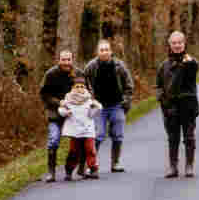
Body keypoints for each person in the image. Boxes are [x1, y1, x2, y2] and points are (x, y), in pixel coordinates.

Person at [84, 40, 134, 173]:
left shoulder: (119, 65)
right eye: (102, 50)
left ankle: (115, 163)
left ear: (111, 51)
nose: (105, 52)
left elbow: (129, 84)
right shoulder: (91, 66)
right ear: (97, 52)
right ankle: (91, 165)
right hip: (99, 106)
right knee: (98, 135)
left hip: (117, 105)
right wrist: (89, 98)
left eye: (107, 49)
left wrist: (125, 100)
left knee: (118, 135)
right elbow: (83, 83)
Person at [156, 31, 199, 178]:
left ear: (184, 44)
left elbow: (193, 71)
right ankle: (173, 167)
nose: (177, 45)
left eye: (179, 43)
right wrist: (162, 100)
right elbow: (159, 86)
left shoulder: (191, 62)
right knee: (172, 138)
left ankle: (189, 166)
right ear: (169, 44)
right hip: (170, 106)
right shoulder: (163, 66)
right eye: (174, 43)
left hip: (188, 105)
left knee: (189, 137)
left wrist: (187, 63)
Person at [39, 50, 83, 182]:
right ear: (59, 60)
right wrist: (59, 102)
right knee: (53, 140)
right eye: (63, 60)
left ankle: (71, 170)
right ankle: (51, 172)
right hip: (55, 113)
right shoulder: (50, 74)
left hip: (74, 114)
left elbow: (88, 90)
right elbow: (44, 94)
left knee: (78, 142)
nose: (66, 62)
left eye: (68, 59)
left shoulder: (79, 73)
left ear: (72, 60)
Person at [58, 76, 102, 180]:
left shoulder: (89, 100)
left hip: (87, 129)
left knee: (90, 149)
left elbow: (92, 114)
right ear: (73, 88)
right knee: (74, 151)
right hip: (75, 130)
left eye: (82, 86)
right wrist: (65, 112)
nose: (79, 88)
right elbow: (61, 110)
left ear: (85, 88)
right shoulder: (68, 99)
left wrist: (96, 107)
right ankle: (69, 171)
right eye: (77, 86)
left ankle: (93, 169)